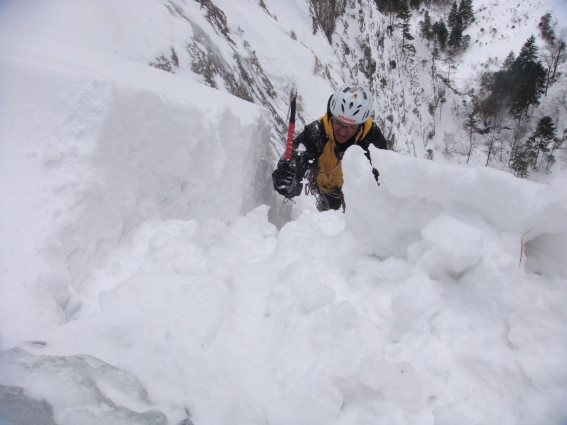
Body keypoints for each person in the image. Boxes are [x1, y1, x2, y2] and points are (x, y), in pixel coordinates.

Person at [272, 82, 388, 211]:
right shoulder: (316, 134)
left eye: (350, 127)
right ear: (331, 116)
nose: (343, 132)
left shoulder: (372, 140)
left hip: (359, 198)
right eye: (338, 123)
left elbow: (382, 179)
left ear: (360, 124)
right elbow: (293, 162)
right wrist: (286, 179)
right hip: (327, 192)